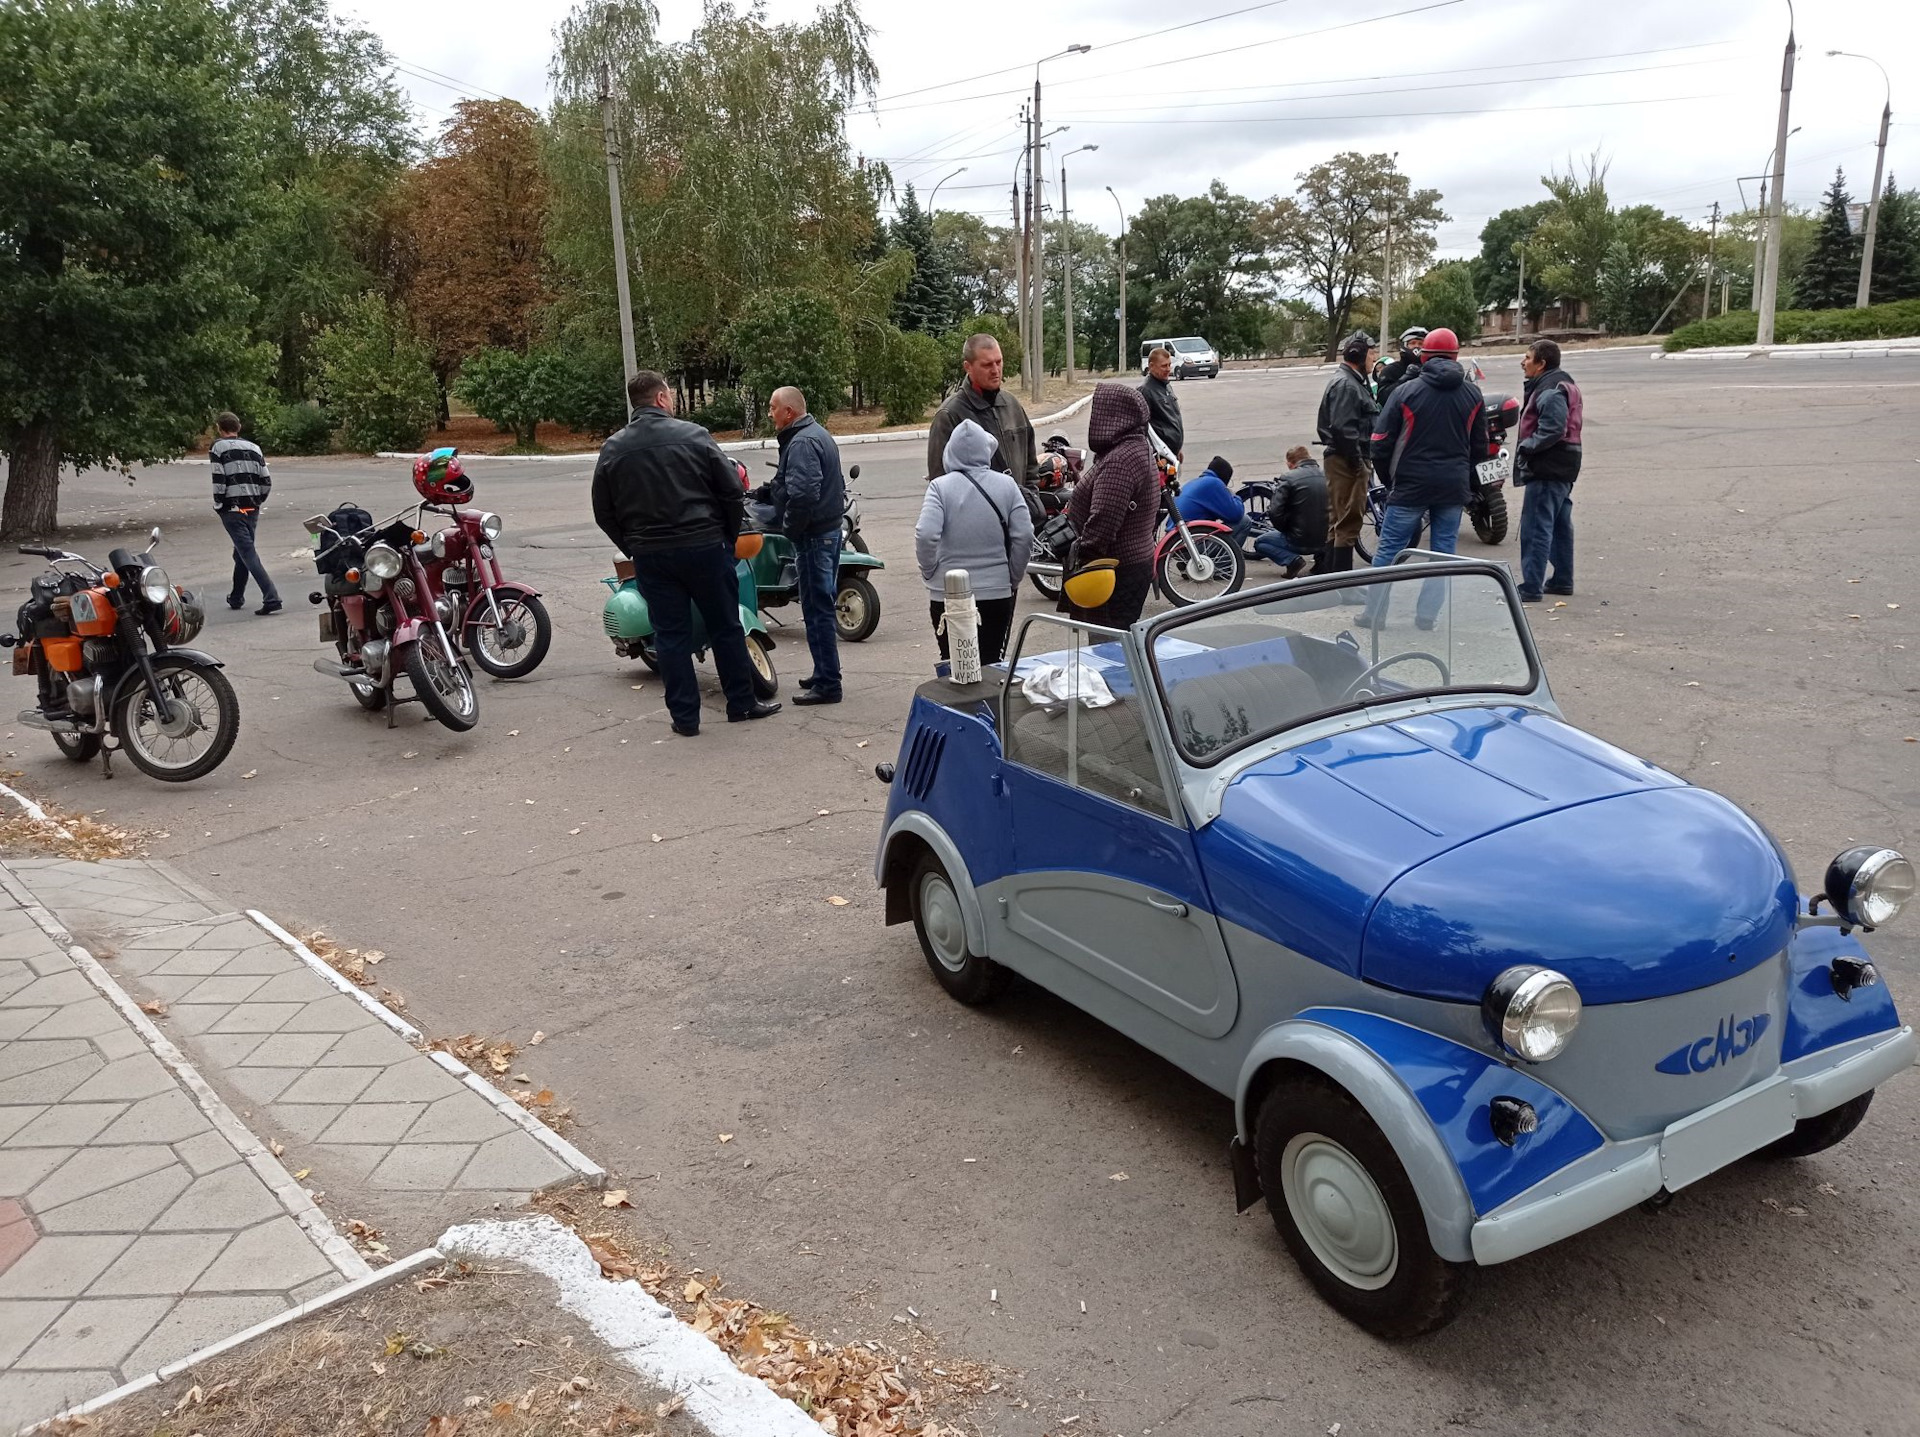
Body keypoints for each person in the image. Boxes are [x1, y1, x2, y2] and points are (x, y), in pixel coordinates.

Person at [591, 370, 781, 736]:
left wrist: (633, 546)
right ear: (661, 398)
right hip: (705, 546)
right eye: (672, 395)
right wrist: (725, 539)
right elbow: (730, 491)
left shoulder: (613, 448)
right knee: (725, 626)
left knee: (670, 635)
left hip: (652, 554)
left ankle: (685, 718)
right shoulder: (694, 435)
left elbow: (604, 512)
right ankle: (741, 704)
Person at [1363, 327, 1488, 629]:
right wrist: (1461, 475)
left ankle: (1375, 615)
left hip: (1410, 485)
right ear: (1456, 356)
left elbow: (1379, 441)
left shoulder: (1407, 392)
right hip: (1451, 488)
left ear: (1425, 356)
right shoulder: (1472, 394)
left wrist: (1390, 480)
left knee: (1390, 551)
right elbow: (1480, 447)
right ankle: (1426, 618)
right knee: (1444, 555)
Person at [916, 419, 1034, 666]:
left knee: (954, 665)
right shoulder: (1007, 485)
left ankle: (958, 704)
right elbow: (1023, 535)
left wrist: (930, 572)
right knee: (991, 665)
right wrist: (1012, 576)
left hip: (947, 594)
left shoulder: (939, 487)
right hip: (997, 593)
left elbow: (926, 535)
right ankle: (987, 705)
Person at [764, 386, 846, 705]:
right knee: (817, 607)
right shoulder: (812, 433)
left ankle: (828, 683)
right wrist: (766, 493)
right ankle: (824, 671)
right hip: (825, 532)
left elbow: (804, 495)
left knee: (817, 610)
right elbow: (791, 486)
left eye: (773, 407)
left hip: (814, 537)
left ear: (789, 412)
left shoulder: (802, 442)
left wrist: (790, 530)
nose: (769, 413)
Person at [1066, 383, 1162, 629]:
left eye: (1099, 411)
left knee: (1104, 652)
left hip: (1111, 572)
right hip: (1131, 565)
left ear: (1115, 415)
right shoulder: (1136, 447)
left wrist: (1083, 556)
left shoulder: (1121, 460)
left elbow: (1104, 520)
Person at [1514, 338, 1584, 604]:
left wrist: (1527, 447)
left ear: (1542, 363)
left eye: (1528, 358)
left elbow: (1554, 428)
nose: (1523, 362)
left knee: (1536, 526)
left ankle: (1531, 586)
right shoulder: (1565, 382)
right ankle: (1562, 580)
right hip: (1565, 463)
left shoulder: (1550, 388)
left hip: (1548, 465)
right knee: (1559, 524)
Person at [926, 334, 1047, 485]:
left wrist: (1029, 499)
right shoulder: (949, 415)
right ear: (968, 367)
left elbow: (1031, 466)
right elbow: (940, 482)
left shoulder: (1012, 405)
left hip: (1018, 506)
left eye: (998, 362)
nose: (996, 370)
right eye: (987, 365)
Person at [1315, 331, 1377, 576]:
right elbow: (1342, 427)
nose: (1374, 359)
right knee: (1348, 522)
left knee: (1339, 521)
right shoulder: (1347, 385)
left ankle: (1332, 579)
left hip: (1344, 457)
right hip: (1347, 459)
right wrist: (1357, 462)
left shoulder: (1350, 380)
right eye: (1372, 354)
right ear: (1358, 356)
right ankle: (1343, 585)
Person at [208, 412, 281, 616]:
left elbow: (219, 479)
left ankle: (271, 596)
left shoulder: (217, 447)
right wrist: (258, 500)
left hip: (232, 508)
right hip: (252, 507)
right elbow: (266, 481)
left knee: (247, 552)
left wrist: (219, 504)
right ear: (238, 427)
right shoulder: (254, 447)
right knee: (241, 551)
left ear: (220, 428)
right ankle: (236, 596)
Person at [1260, 446, 1331, 580]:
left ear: (1290, 463)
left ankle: (1292, 560)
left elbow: (1275, 512)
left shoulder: (1288, 478)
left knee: (1261, 542)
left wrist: (1285, 530)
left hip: (1298, 539)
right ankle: (1321, 560)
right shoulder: (1326, 475)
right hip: (1325, 538)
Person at [1140, 346, 1184, 462]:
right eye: (1164, 366)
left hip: (1171, 453)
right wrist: (1154, 454)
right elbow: (1142, 429)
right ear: (1151, 366)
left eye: (1169, 365)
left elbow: (1171, 420)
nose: (1168, 369)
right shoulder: (1145, 391)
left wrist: (1177, 448)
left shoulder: (1166, 386)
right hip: (1160, 457)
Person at [1374, 327, 1427, 413]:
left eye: (1420, 343)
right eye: (1412, 343)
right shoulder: (1390, 370)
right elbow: (1383, 400)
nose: (1416, 347)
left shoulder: (1430, 369)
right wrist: (1406, 378)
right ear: (1404, 346)